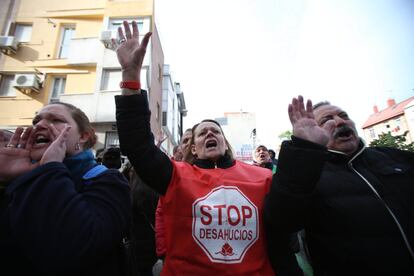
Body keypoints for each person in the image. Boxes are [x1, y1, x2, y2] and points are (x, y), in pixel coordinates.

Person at [114, 20, 275, 275]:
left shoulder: (263, 177)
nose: (210, 133)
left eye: (216, 131)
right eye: (202, 133)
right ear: (195, 149)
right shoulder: (175, 176)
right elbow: (137, 146)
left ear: (225, 142)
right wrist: (130, 77)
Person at [264, 96, 414, 276]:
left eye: (344, 115)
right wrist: (305, 149)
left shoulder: (395, 157)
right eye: (327, 120)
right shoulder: (307, 175)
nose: (340, 121)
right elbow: (282, 220)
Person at [0, 102, 130, 276]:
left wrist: (49, 169)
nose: (39, 125)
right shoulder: (19, 178)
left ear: (82, 137)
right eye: (36, 121)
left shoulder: (107, 180)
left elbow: (78, 249)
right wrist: (6, 181)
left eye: (55, 120)